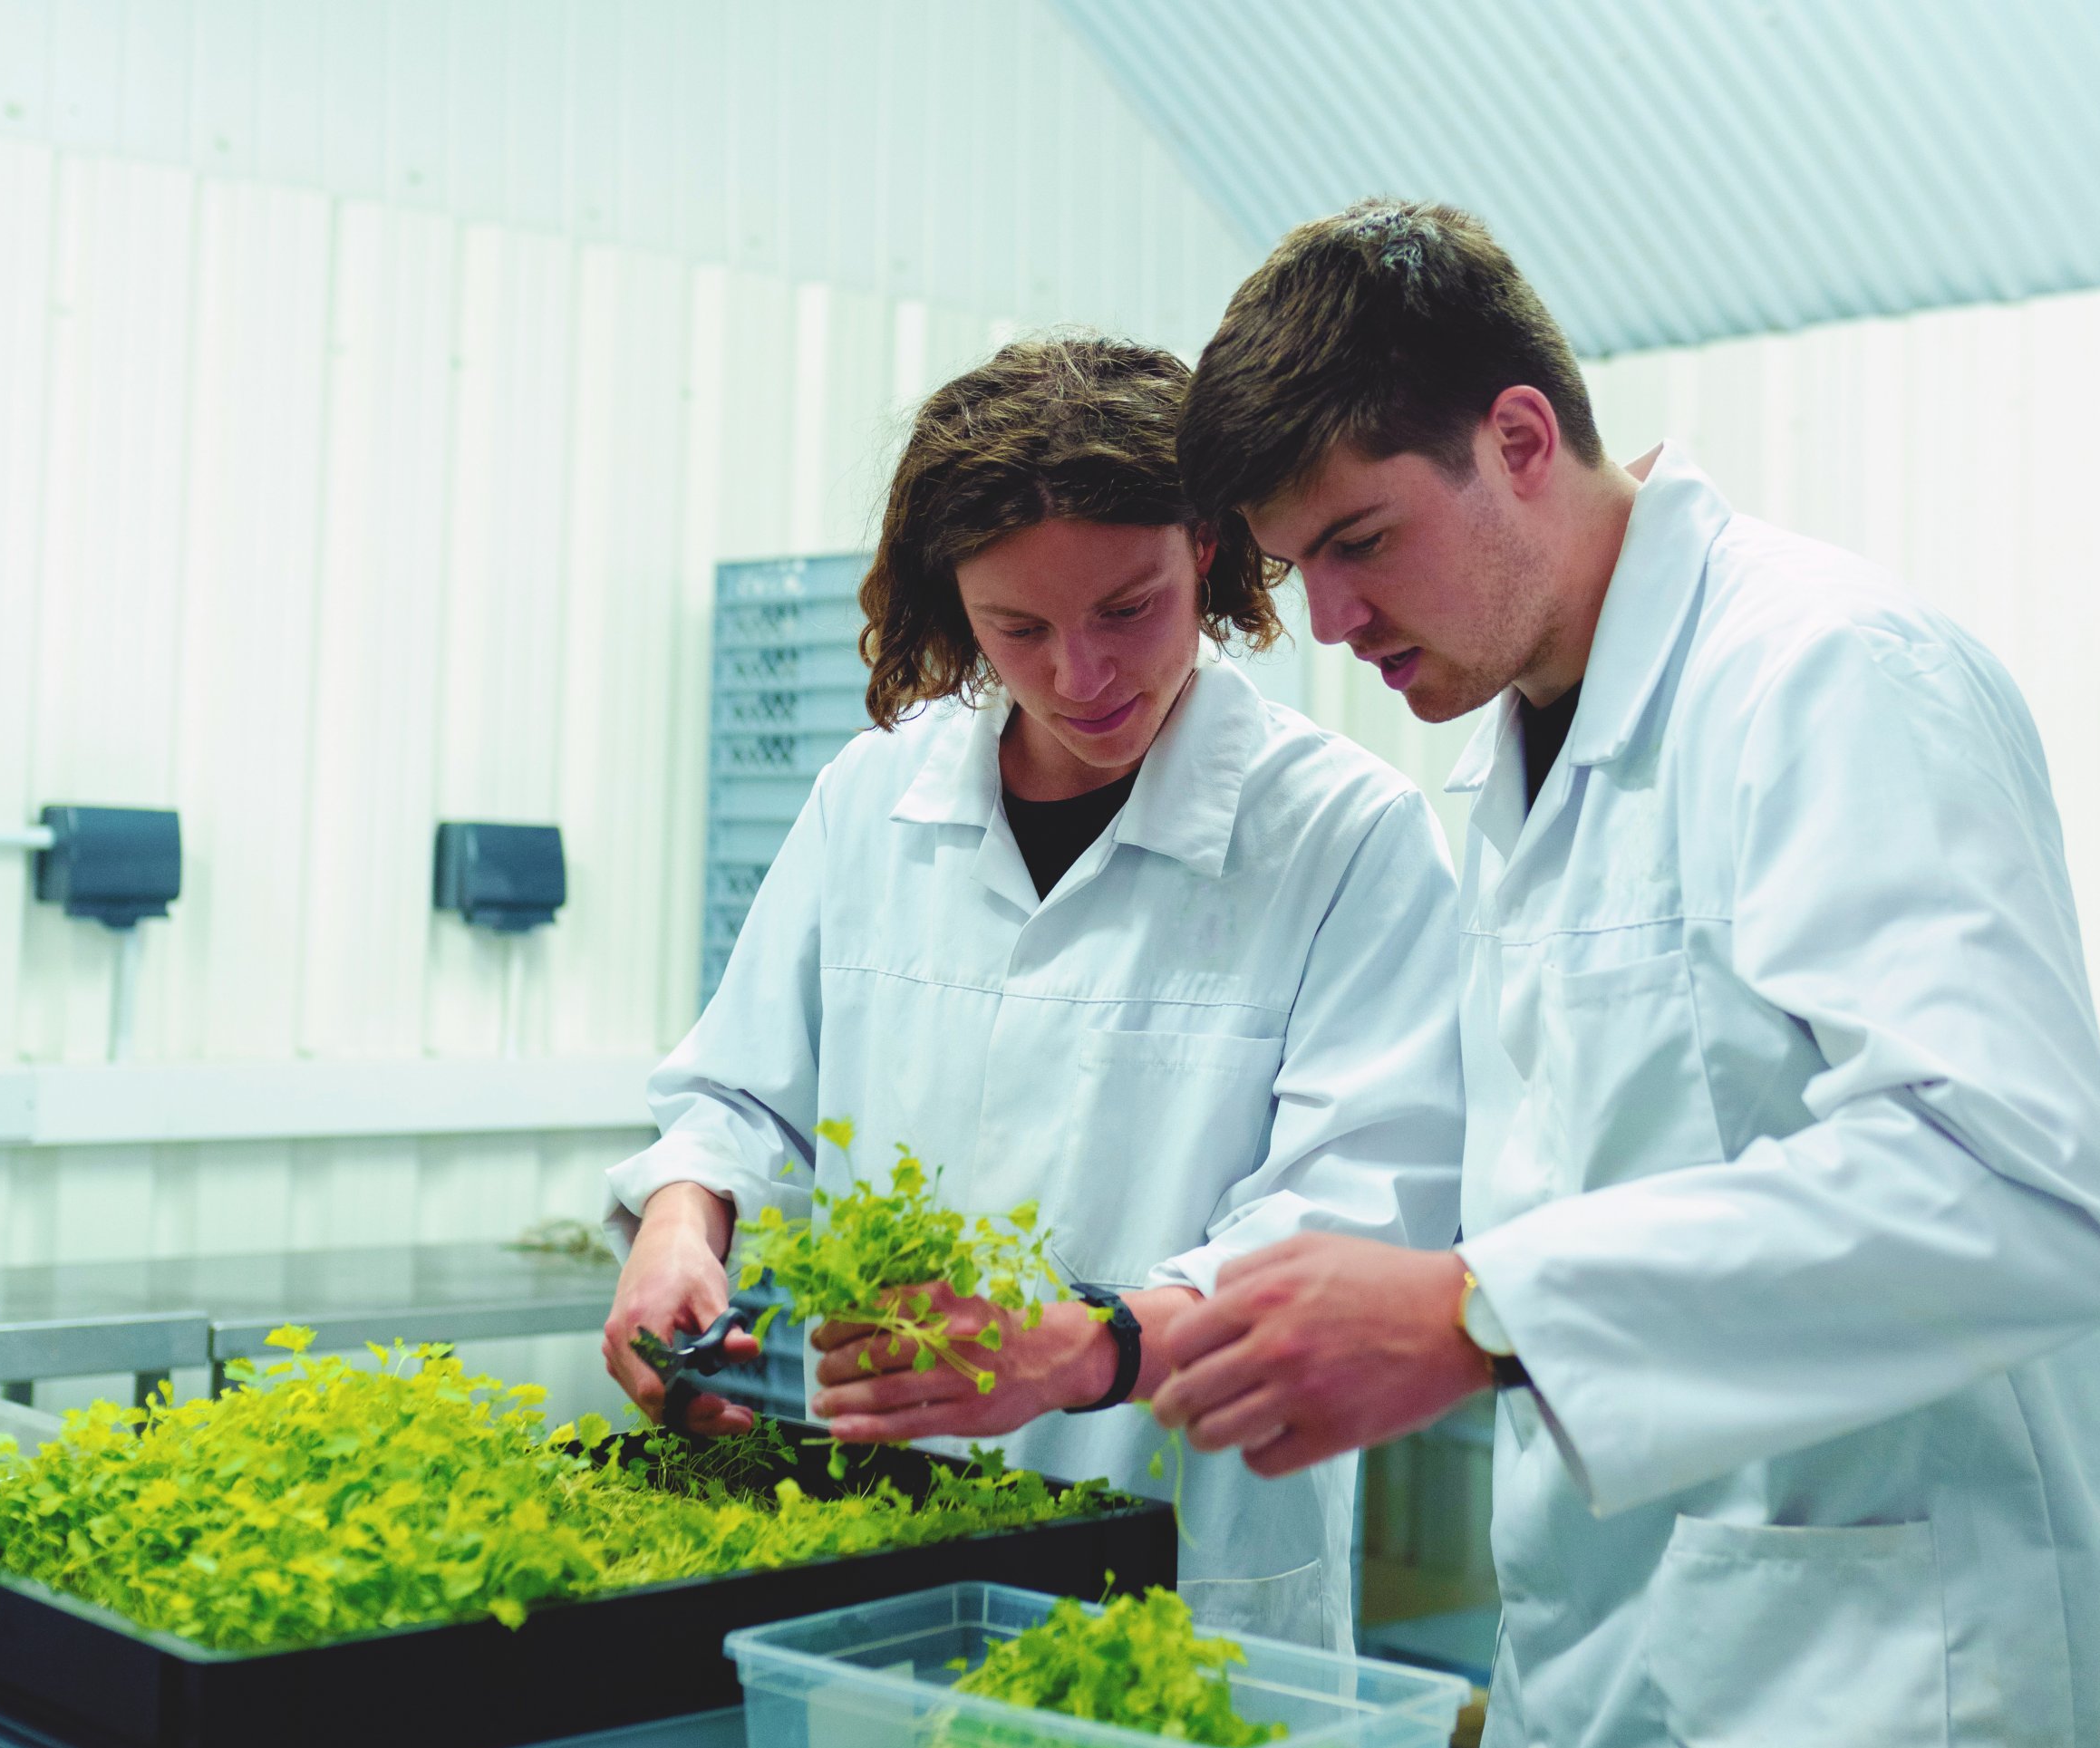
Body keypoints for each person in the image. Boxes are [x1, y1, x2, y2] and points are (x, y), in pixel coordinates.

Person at [1155, 201, 2100, 1748]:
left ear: (1520, 441)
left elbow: (2019, 1186)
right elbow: (1552, 1162)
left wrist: (1483, 1309)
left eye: (1356, 541)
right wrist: (1145, 1328)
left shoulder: (1826, 676)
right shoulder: (1516, 763)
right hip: (1616, 1735)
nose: (1324, 621)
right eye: (1292, 566)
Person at [600, 336, 1463, 1650]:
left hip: (1189, 1562)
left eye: (1129, 609)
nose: (1080, 675)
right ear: (957, 608)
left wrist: (1093, 1345)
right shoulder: (872, 799)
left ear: (1213, 556)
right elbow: (741, 1095)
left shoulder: (1346, 835)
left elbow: (1357, 1213)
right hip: (874, 1533)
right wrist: (681, 1221)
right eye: (1019, 629)